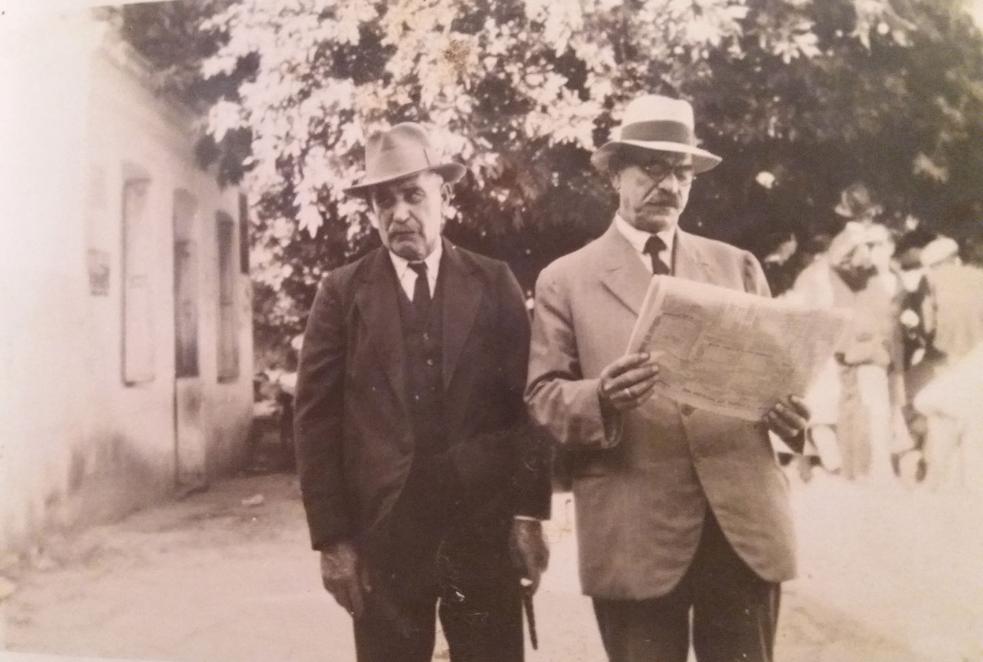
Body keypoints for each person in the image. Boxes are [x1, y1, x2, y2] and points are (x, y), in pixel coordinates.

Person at [524, 94, 809, 662]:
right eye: (653, 168)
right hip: (635, 529)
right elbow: (543, 396)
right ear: (614, 173)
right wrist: (601, 397)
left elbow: (779, 378)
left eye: (683, 172)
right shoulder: (565, 279)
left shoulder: (737, 266)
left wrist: (793, 417)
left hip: (741, 525)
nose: (670, 185)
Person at [294, 122, 551, 661]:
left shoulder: (493, 281)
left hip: (481, 528)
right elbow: (315, 422)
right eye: (384, 202)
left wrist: (528, 517)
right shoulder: (342, 293)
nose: (400, 214)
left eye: (413, 195)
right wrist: (333, 541)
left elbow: (527, 408)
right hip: (386, 534)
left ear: (445, 198)